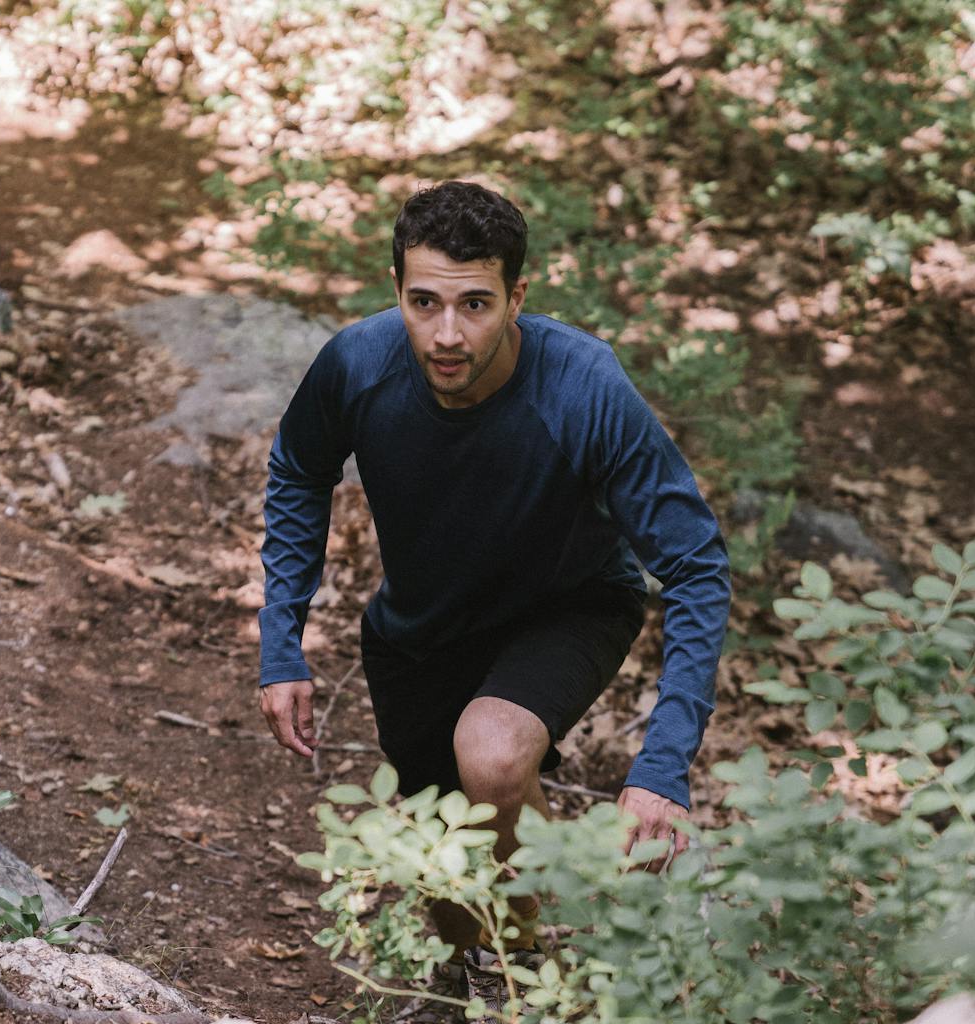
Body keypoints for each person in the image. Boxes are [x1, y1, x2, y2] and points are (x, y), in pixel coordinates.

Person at [256, 180, 731, 948]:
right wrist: (282, 640)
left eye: (474, 304)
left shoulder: (583, 387)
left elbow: (696, 564)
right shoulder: (358, 364)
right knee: (450, 878)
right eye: (424, 304)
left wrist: (661, 767)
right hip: (422, 629)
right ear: (398, 292)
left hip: (567, 605)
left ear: (517, 298)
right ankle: (509, 979)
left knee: (492, 755)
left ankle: (571, 980)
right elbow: (300, 471)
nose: (447, 335)